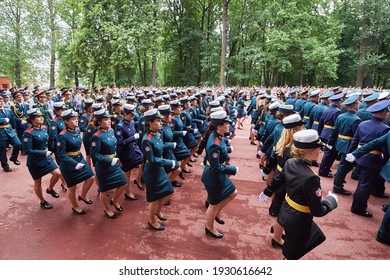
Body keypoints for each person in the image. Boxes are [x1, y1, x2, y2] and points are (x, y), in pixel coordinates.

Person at [260, 129, 338, 259]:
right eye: (319, 148)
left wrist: (267, 191)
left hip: (286, 211)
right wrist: (331, 201)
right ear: (311, 152)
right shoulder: (311, 177)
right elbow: (317, 211)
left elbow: (278, 179)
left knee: (291, 247)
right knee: (292, 254)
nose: (320, 151)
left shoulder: (290, 162)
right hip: (299, 222)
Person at [259, 113, 306, 248]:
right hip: (286, 181)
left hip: (280, 176)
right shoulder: (293, 149)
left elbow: (274, 156)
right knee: (284, 212)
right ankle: (277, 237)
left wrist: (267, 170)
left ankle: (277, 231)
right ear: (296, 130)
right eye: (301, 126)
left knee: (280, 209)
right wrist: (268, 190)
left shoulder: (285, 141)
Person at [346, 100, 390, 217]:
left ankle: (358, 203)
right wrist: (385, 160)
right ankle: (358, 208)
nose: (386, 114)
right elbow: (384, 148)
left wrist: (352, 154)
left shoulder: (362, 124)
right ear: (381, 113)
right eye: (386, 112)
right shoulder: (384, 128)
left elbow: (355, 142)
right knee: (365, 185)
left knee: (362, 183)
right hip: (373, 159)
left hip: (361, 158)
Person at [201, 110, 238, 238]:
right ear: (219, 126)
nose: (229, 125)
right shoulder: (214, 143)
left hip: (217, 174)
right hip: (213, 177)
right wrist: (232, 169)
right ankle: (209, 227)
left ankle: (216, 213)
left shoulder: (218, 136)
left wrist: (227, 152)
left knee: (233, 192)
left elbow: (221, 150)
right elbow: (216, 167)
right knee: (212, 204)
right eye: (226, 124)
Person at [141, 108, 177, 231]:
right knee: (153, 199)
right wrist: (169, 162)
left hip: (159, 170)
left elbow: (160, 146)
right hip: (152, 171)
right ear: (150, 123)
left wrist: (171, 145)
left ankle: (157, 211)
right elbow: (152, 159)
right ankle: (151, 220)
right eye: (158, 121)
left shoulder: (158, 133)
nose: (161, 123)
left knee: (169, 191)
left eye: (161, 121)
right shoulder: (146, 140)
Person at [90, 109, 128, 219]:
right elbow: (94, 155)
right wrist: (109, 160)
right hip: (103, 166)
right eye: (106, 119)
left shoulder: (111, 131)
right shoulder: (97, 136)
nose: (109, 121)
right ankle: (107, 209)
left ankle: (114, 200)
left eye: (109, 119)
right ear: (99, 122)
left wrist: (116, 158)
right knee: (104, 189)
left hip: (114, 163)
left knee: (123, 182)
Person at [57, 109, 95, 215]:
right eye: (73, 119)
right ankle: (75, 206)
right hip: (68, 163)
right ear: (66, 121)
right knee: (72, 186)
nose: (77, 120)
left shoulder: (77, 130)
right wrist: (75, 164)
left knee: (91, 177)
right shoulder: (62, 135)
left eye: (76, 118)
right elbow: (61, 155)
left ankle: (83, 195)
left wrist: (80, 160)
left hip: (79, 158)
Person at [22, 108, 61, 209]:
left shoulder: (44, 127)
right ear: (32, 119)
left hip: (46, 158)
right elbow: (27, 150)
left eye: (41, 116)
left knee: (57, 174)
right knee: (38, 182)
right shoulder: (28, 133)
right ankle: (42, 201)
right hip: (35, 161)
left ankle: (50, 189)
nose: (41, 118)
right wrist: (44, 152)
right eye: (38, 117)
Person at [329, 94, 361, 195]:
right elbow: (356, 136)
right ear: (355, 105)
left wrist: (331, 143)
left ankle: (338, 181)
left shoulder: (341, 116)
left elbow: (334, 131)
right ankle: (338, 185)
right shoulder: (356, 119)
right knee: (344, 166)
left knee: (343, 165)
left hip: (340, 142)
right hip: (348, 144)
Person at [115, 104, 143, 200]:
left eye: (133, 115)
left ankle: (138, 179)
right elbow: (121, 142)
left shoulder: (131, 123)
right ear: (125, 114)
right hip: (125, 152)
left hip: (133, 149)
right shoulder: (120, 126)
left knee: (144, 160)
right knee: (127, 173)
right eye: (131, 115)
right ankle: (127, 192)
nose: (133, 117)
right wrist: (132, 138)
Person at [317, 92, 343, 178]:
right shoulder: (337, 112)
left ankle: (325, 169)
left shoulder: (326, 109)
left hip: (324, 132)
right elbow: (337, 125)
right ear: (338, 102)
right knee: (330, 154)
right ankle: (324, 170)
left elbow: (321, 122)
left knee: (327, 153)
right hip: (331, 134)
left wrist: (320, 133)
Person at [0, 93, 22, 172]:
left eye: (2, 101)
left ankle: (13, 157)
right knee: (2, 151)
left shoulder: (8, 110)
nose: (1, 102)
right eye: (0, 101)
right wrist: (3, 120)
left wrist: (14, 128)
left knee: (18, 143)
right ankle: (5, 166)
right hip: (1, 132)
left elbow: (12, 119)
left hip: (9, 130)